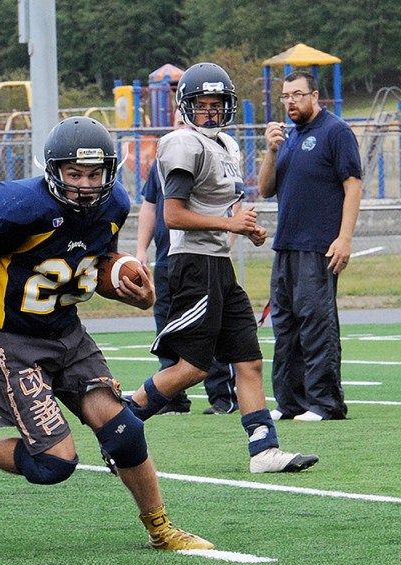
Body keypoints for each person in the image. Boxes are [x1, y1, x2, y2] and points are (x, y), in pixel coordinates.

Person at [0, 116, 213, 552]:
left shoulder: (114, 204)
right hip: (12, 341)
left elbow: (90, 265)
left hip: (68, 332)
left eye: (94, 174)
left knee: (126, 431)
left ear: (109, 173)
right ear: (53, 171)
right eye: (74, 174)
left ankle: (161, 528)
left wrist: (133, 291)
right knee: (54, 464)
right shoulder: (19, 206)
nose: (85, 185)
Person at [124, 62, 318, 474]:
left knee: (248, 360)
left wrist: (244, 227)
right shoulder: (182, 143)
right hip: (191, 265)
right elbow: (173, 215)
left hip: (218, 263)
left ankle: (264, 450)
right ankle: (118, 426)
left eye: (216, 105)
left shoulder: (227, 146)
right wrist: (230, 223)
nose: (209, 112)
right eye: (202, 105)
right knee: (192, 368)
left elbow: (221, 207)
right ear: (186, 107)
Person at [257, 70, 362, 422]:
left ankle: (325, 403)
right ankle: (291, 403)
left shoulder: (336, 132)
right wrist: (270, 151)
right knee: (285, 326)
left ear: (316, 96)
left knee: (316, 323)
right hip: (285, 244)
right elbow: (265, 189)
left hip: (319, 245)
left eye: (298, 95)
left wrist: (344, 237)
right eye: (286, 96)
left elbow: (353, 185)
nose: (291, 102)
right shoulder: (286, 138)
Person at [137, 113, 238, 416]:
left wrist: (226, 242)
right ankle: (171, 397)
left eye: (188, 124)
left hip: (201, 257)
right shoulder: (167, 158)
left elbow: (231, 204)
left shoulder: (214, 156)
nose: (184, 130)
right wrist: (141, 250)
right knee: (168, 328)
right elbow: (150, 206)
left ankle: (222, 397)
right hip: (169, 258)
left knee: (210, 330)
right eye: (180, 123)